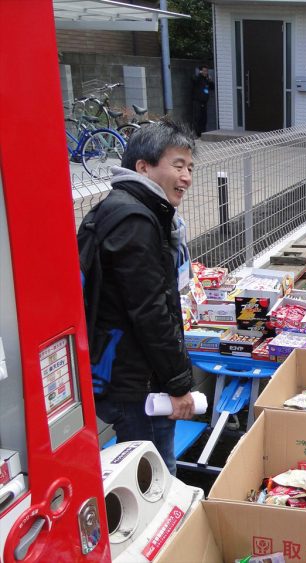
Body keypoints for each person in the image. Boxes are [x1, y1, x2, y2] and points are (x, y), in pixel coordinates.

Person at [79, 120, 196, 475]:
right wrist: (178, 384)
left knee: (138, 469)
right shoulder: (136, 221)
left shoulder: (120, 208)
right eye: (178, 165)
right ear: (143, 167)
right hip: (137, 382)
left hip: (117, 371)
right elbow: (151, 312)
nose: (187, 176)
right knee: (156, 478)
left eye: (190, 167)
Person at [191, 64, 214, 137]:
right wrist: (199, 74)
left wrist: (210, 81)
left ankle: (203, 133)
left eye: (207, 71)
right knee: (197, 118)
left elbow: (212, 88)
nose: (205, 72)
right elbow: (194, 80)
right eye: (204, 71)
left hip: (204, 102)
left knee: (204, 118)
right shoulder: (197, 78)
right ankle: (197, 134)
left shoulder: (206, 79)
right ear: (200, 71)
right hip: (197, 101)